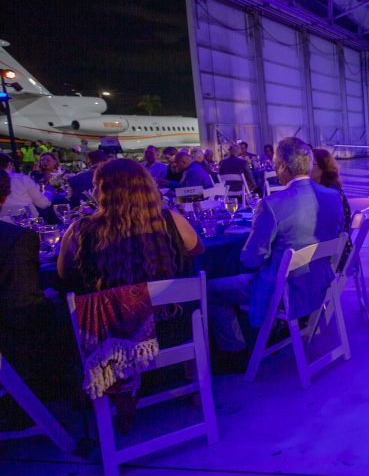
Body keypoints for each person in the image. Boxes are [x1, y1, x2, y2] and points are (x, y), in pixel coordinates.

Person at [206, 138, 347, 368]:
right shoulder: (332, 196)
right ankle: (270, 331)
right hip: (320, 283)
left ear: (283, 167)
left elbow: (252, 259)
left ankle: (234, 352)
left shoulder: (272, 204)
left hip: (285, 291)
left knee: (210, 290)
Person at [57, 159, 204, 293]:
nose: (92, 191)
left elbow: (66, 274)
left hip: (109, 313)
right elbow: (197, 251)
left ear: (105, 191)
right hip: (170, 310)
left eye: (95, 185)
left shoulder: (79, 231)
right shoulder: (171, 220)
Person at [0, 171, 79, 411]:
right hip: (12, 338)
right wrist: (51, 297)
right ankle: (60, 393)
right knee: (66, 309)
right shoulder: (15, 239)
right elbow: (24, 306)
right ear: (5, 195)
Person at [311, 148, 353, 263]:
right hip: (339, 248)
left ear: (323, 167)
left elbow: (327, 229)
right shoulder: (330, 189)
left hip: (334, 254)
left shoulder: (330, 194)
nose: (306, 169)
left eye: (311, 164)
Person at [0, 151, 52, 219]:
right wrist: (49, 192)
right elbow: (43, 204)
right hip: (26, 220)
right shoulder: (22, 179)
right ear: (10, 164)